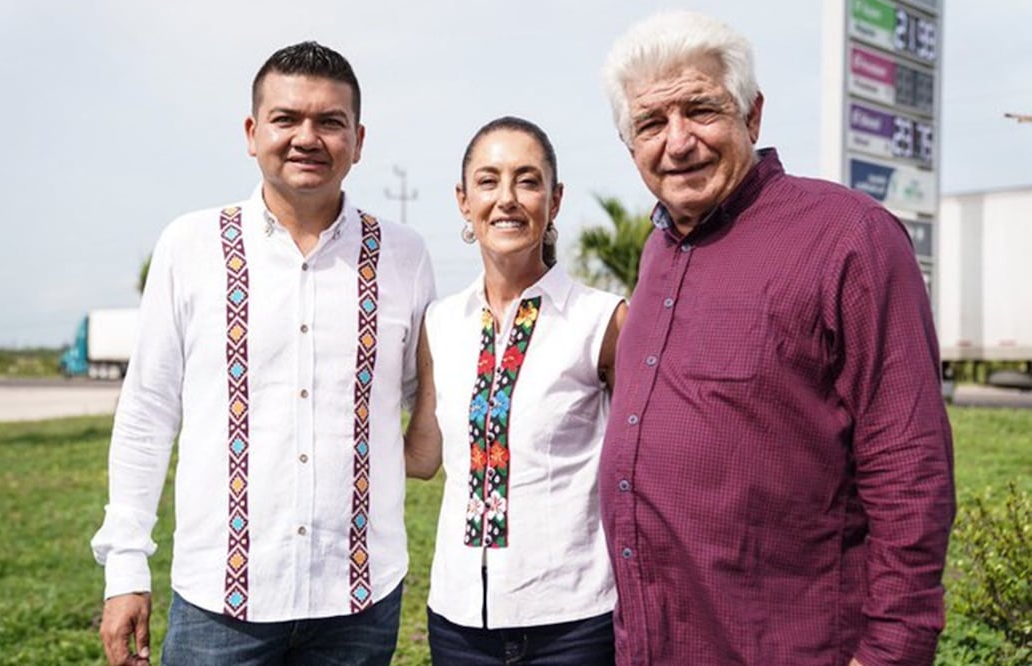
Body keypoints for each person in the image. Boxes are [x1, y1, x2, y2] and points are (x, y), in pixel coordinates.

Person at [598, 11, 955, 666]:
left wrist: (892, 651)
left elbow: (909, 464)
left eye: (699, 110)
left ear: (751, 115)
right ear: (631, 147)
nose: (676, 142)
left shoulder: (848, 237)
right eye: (651, 123)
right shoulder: (657, 252)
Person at [90, 41, 435, 666]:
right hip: (220, 607)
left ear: (358, 140)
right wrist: (125, 567)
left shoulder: (404, 255)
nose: (308, 137)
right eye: (287, 119)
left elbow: (428, 403)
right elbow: (146, 414)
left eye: (330, 122)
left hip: (359, 604)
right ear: (253, 133)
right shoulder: (190, 246)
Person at [404, 116, 628, 665]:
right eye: (488, 181)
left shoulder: (602, 321)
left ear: (555, 199)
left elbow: (643, 465)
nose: (507, 199)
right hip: (457, 622)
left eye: (527, 181)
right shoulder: (439, 323)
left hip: (574, 623)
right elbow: (425, 455)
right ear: (463, 200)